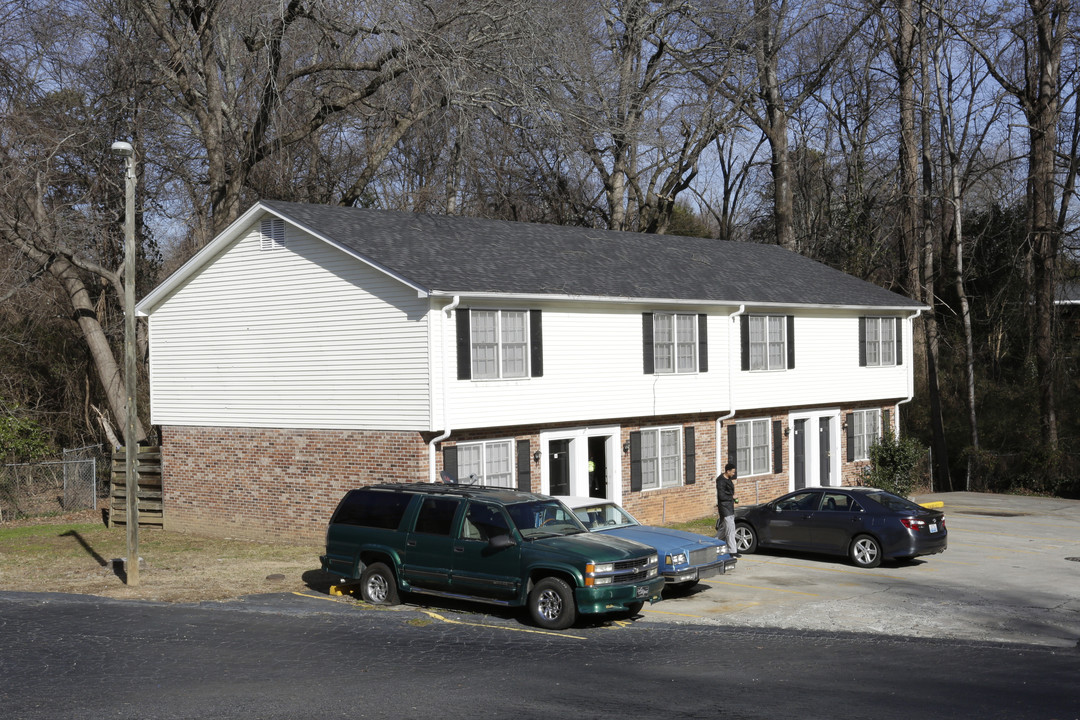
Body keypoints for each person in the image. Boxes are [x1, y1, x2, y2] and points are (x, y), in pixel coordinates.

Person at [715, 463, 740, 557]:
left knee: (723, 530)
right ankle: (732, 551)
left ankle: (712, 544)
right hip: (725, 509)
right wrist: (732, 497)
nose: (734, 474)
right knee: (730, 530)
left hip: (729, 507)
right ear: (728, 471)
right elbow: (721, 496)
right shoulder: (721, 481)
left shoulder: (727, 478)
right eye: (733, 472)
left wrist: (733, 498)